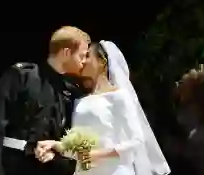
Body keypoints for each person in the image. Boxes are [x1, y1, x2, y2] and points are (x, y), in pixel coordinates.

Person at [37, 41, 171, 175]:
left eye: (87, 56)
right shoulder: (80, 100)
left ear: (102, 62)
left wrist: (97, 155)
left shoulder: (118, 96)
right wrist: (56, 145)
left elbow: (136, 141)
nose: (83, 61)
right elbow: (80, 151)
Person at [0, 26, 90, 175]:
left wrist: (56, 156)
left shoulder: (70, 91)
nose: (84, 62)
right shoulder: (21, 76)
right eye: (82, 55)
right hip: (13, 166)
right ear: (66, 52)